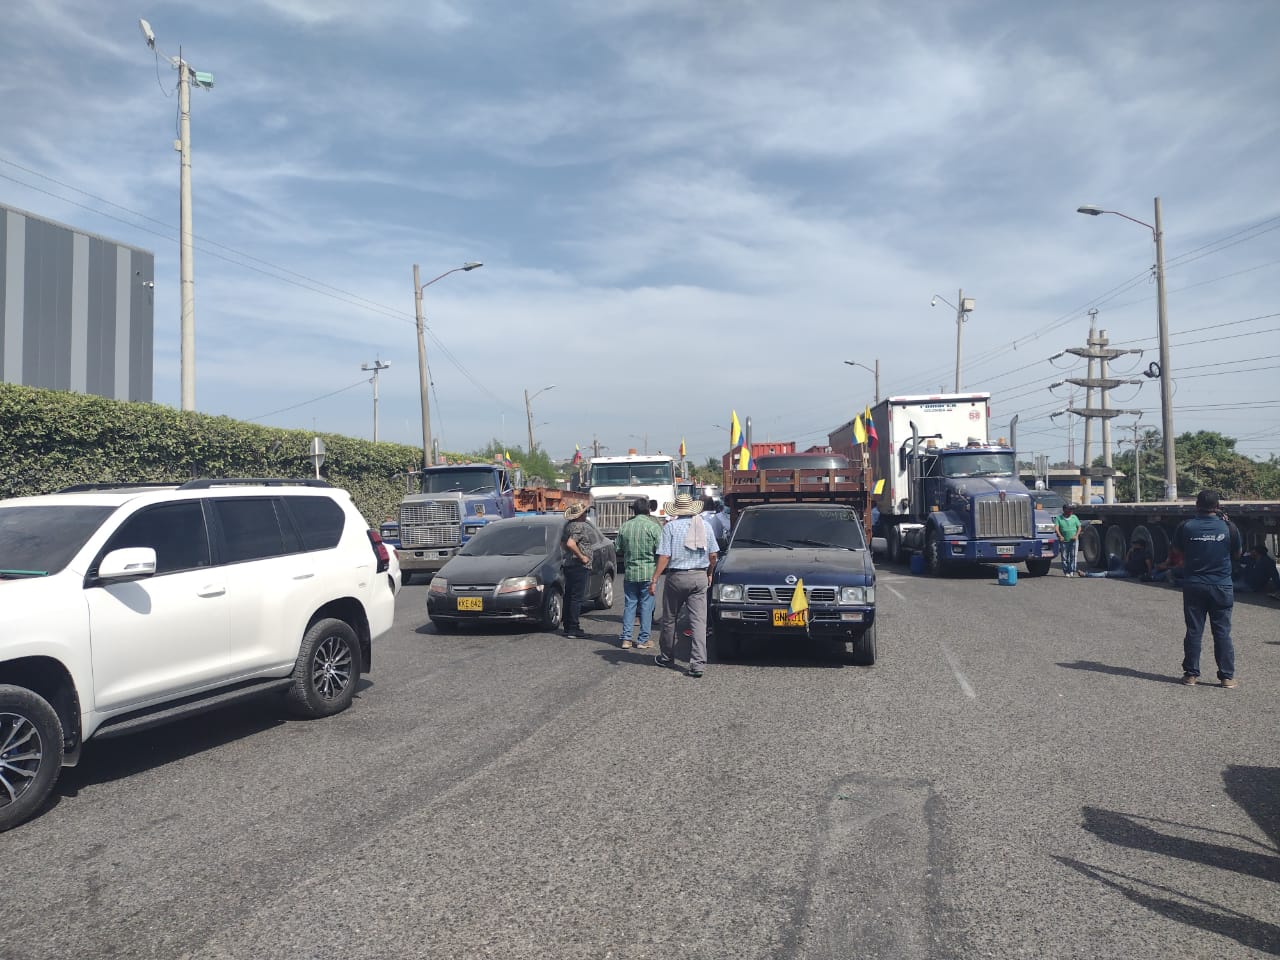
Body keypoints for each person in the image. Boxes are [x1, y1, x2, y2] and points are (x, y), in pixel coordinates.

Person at [1173, 489, 1242, 687]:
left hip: (1194, 584)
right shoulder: (1229, 527)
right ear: (1218, 506)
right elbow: (1237, 553)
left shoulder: (1186, 526)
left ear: (1196, 505)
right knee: (1222, 632)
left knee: (1194, 630)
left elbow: (1176, 550)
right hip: (1221, 585)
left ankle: (1191, 675)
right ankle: (1227, 677)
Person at [650, 492, 718, 678]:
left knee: (669, 618)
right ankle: (697, 664)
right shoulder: (705, 526)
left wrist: (655, 578)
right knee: (698, 622)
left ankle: (667, 656)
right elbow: (713, 555)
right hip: (699, 576)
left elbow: (665, 556)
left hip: (676, 577)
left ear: (677, 510)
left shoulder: (670, 527)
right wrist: (709, 572)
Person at [615, 496, 663, 650]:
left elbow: (618, 549)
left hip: (630, 572)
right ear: (648, 510)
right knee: (646, 607)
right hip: (649, 573)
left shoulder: (625, 526)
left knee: (630, 605)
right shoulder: (653, 527)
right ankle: (643, 639)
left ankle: (626, 639)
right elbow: (661, 550)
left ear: (634, 511)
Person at [559, 502, 594, 639]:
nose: (586, 515)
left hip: (569, 564)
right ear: (579, 515)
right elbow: (570, 543)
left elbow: (563, 544)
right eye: (584, 513)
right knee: (576, 598)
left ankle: (567, 626)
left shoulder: (568, 526)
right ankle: (574, 628)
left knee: (569, 595)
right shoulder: (579, 526)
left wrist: (570, 554)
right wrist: (582, 556)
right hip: (579, 565)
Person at [1082, 537, 1153, 579]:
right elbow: (1126, 561)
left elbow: (1148, 564)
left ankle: (1086, 574)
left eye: (1136, 544)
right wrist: (1129, 552)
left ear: (1140, 546)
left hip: (1130, 572)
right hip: (1124, 566)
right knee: (1112, 555)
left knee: (1105, 573)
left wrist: (1149, 573)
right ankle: (1112, 571)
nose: (1134, 545)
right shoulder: (1134, 551)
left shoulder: (1145, 553)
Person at [1053, 502, 1082, 577]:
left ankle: (1072, 570)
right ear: (1064, 510)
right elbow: (1056, 528)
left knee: (1073, 556)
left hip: (1074, 540)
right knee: (1064, 556)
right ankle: (1066, 571)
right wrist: (1060, 536)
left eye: (1071, 509)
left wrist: (1076, 536)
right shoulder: (1059, 518)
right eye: (1069, 509)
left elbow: (1079, 527)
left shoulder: (1074, 517)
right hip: (1064, 541)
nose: (1071, 511)